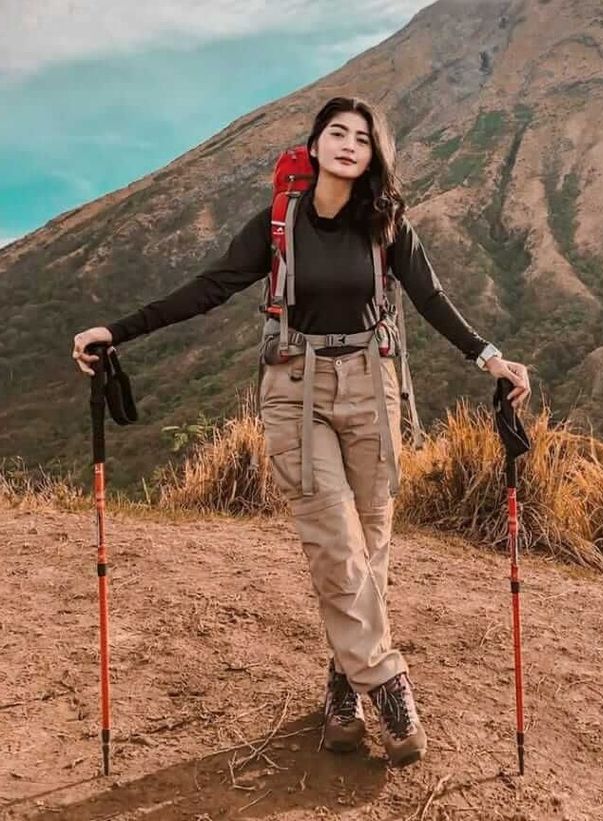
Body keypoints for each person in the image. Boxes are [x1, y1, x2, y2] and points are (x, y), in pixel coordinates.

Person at [72, 95, 531, 768]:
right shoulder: (277, 224)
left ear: (374, 156)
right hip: (295, 389)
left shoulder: (386, 225)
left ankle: (345, 686)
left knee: (369, 548)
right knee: (334, 543)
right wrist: (118, 330)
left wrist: (488, 355)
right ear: (313, 147)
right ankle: (388, 681)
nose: (348, 143)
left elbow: (430, 296)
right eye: (335, 132)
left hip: (372, 389)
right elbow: (210, 286)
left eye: (362, 137)